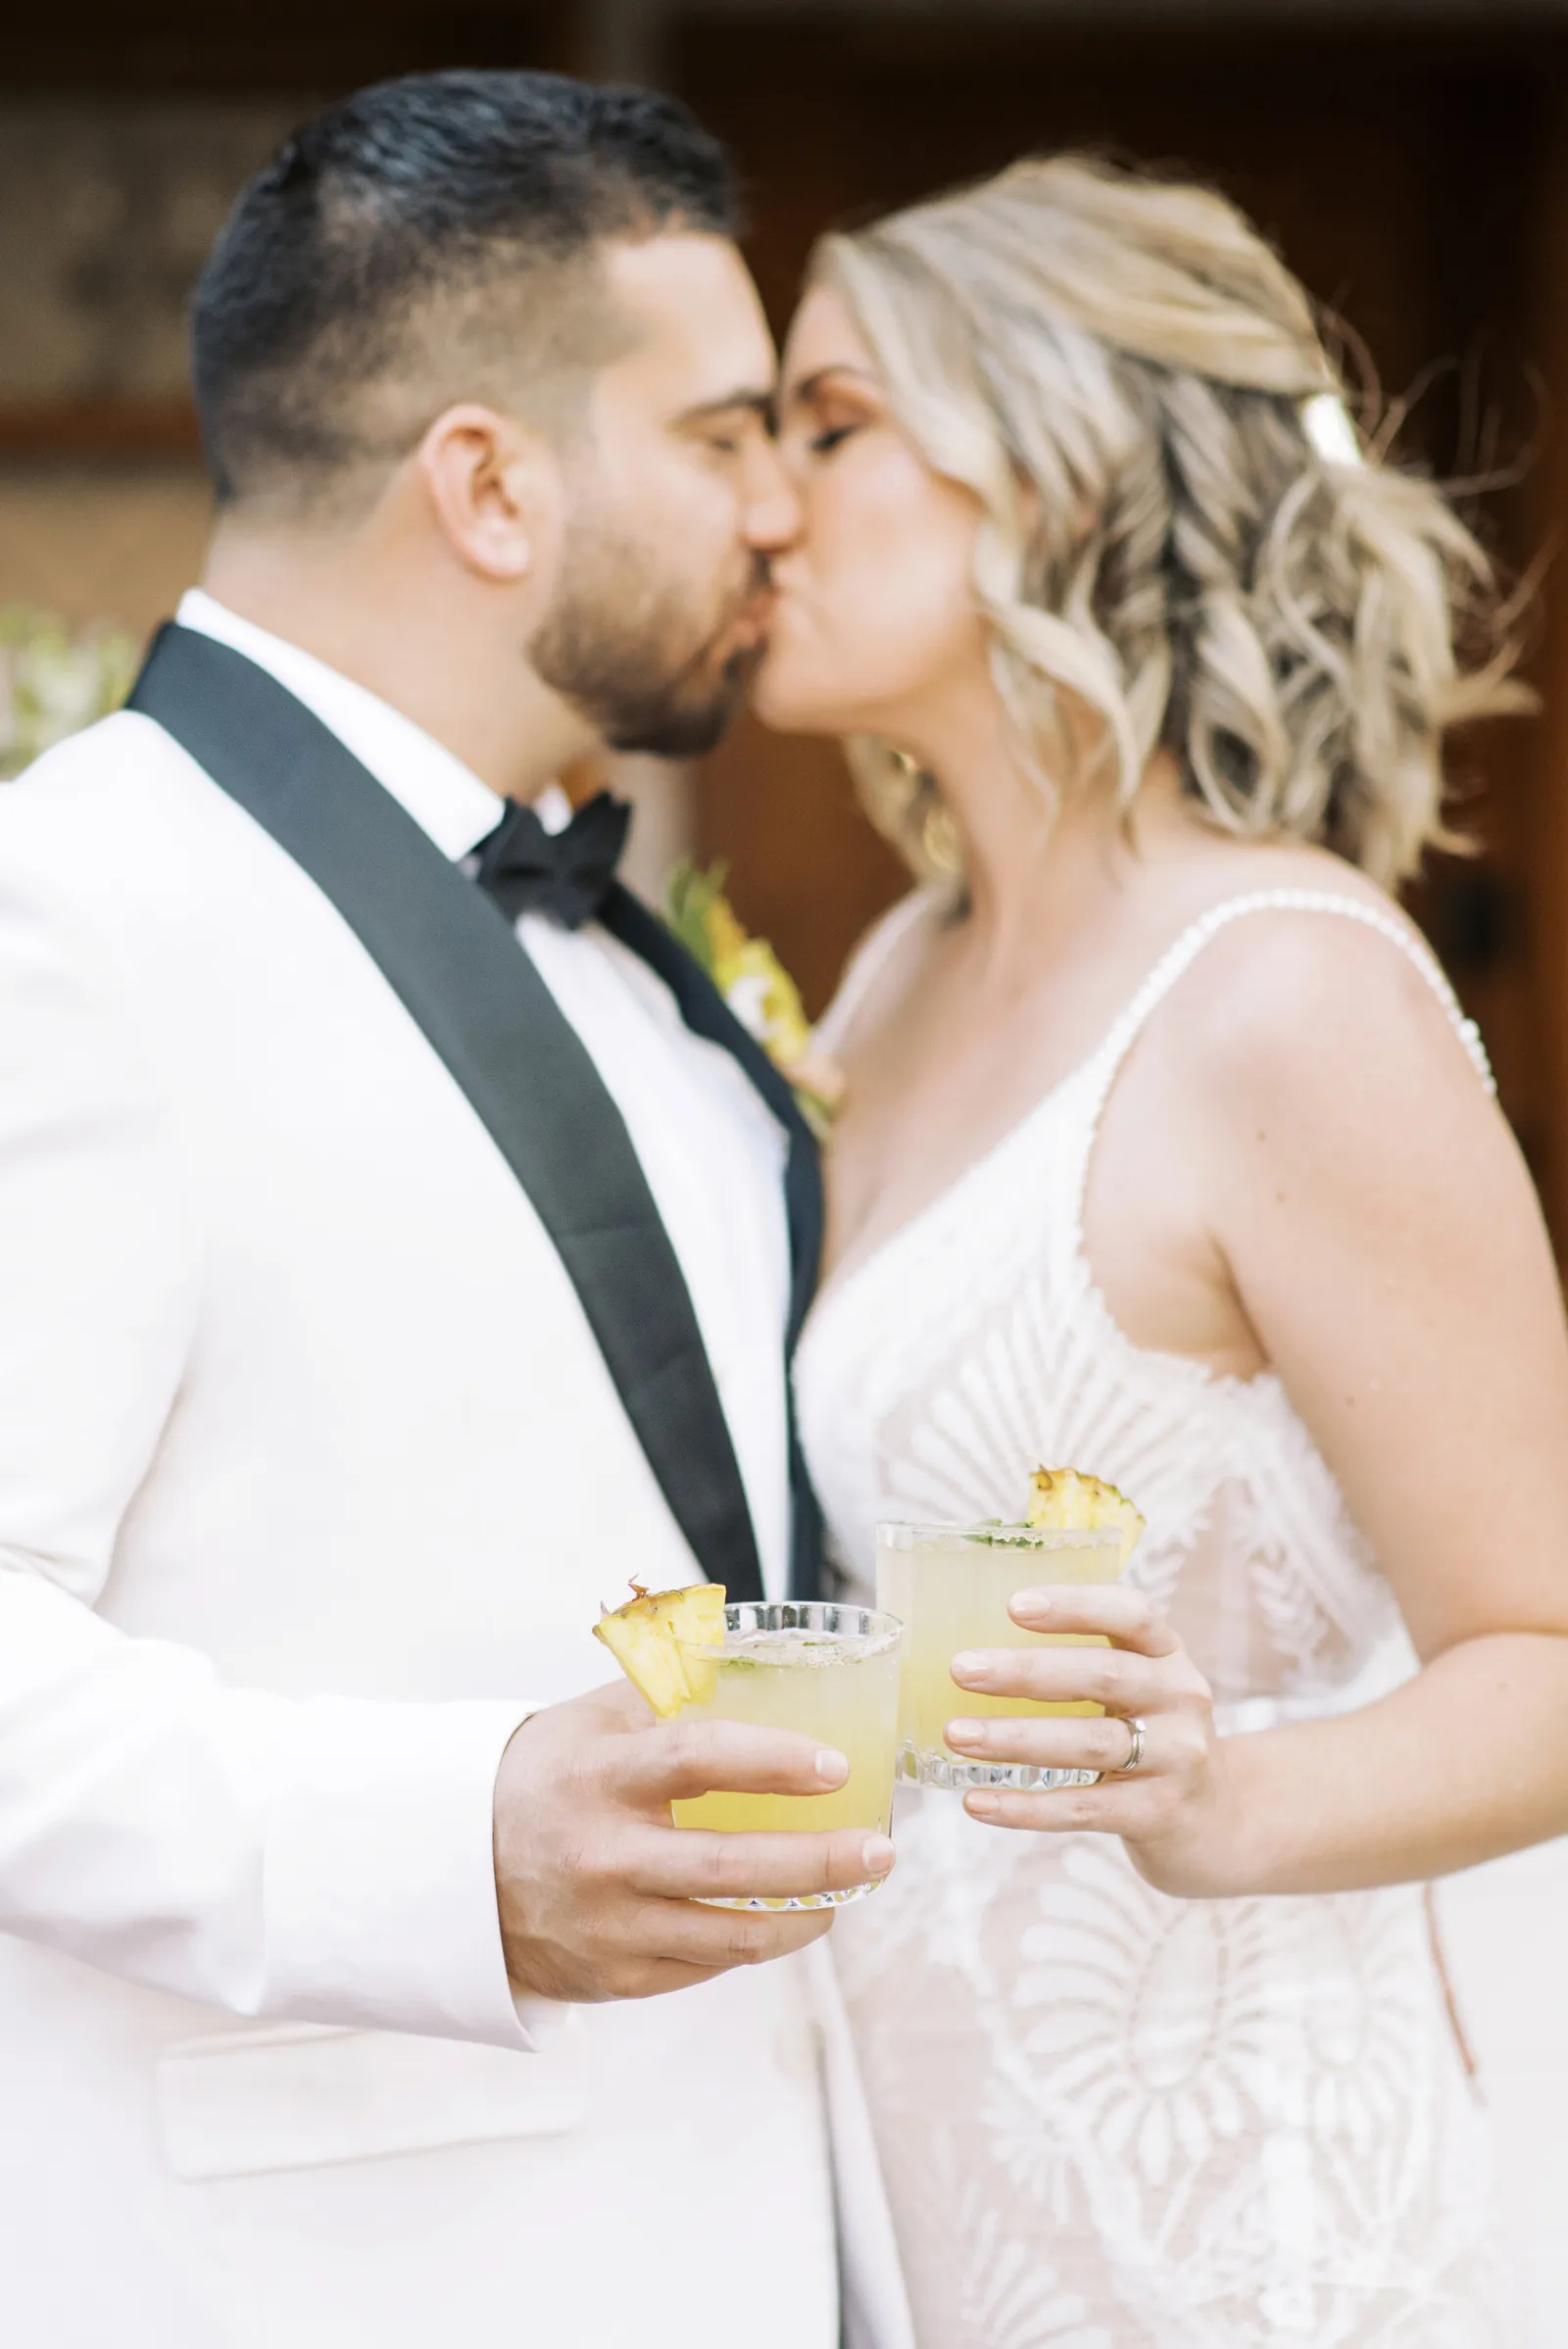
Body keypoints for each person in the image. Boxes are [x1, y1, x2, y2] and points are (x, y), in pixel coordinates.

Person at [0, 71, 912, 2349]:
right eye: (720, 436)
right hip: (330, 2271)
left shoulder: (637, 958)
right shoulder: (69, 918)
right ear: (488, 483)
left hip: (763, 2227)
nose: (783, 512)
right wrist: (447, 1845)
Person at [757, 154, 1568, 2345]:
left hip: (1259, 2220)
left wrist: (1223, 1794)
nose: (762, 501)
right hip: (943, 2194)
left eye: (829, 425)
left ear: (1043, 464)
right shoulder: (889, 981)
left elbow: (1546, 1650)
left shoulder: (1282, 995)